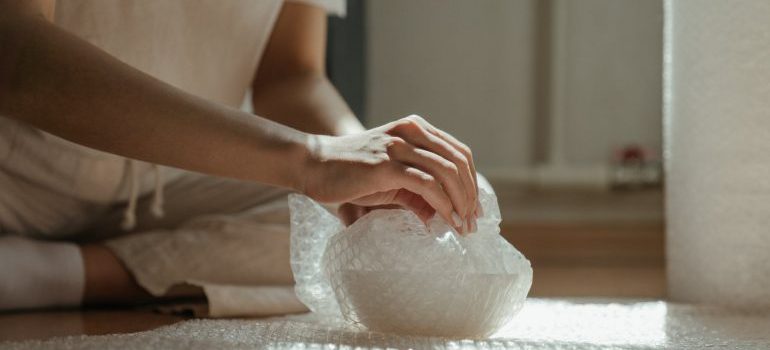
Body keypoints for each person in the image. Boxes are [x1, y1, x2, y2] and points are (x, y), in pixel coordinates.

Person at [0, 0, 479, 313]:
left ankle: (51, 274)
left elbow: (288, 75)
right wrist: (311, 158)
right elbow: (15, 54)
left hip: (169, 182)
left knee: (430, 200)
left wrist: (365, 160)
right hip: (11, 179)